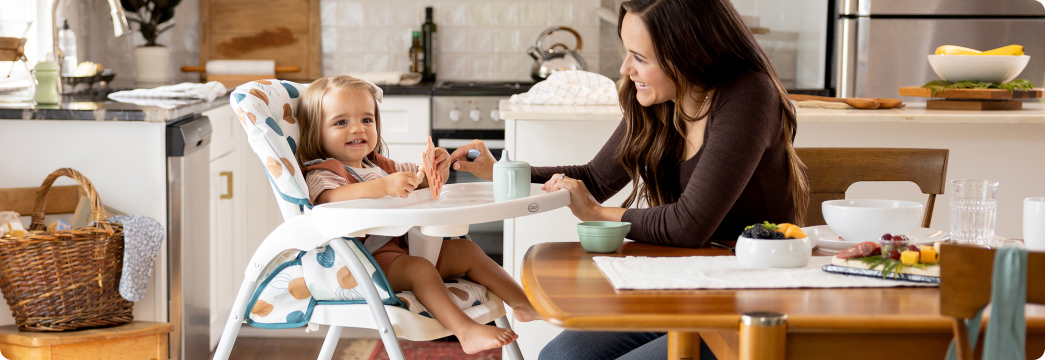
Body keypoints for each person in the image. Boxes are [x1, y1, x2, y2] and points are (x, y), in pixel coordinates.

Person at [448, 0, 810, 357]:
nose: (625, 69)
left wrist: (595, 213)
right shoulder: (662, 100)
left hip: (752, 302)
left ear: (688, 53)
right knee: (560, 356)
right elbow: (594, 177)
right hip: (686, 285)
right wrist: (502, 170)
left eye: (640, 58)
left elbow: (690, 224)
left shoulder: (748, 94)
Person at [296, 75, 542, 354]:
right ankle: (466, 331)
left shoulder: (379, 164)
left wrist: (436, 170)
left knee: (466, 250)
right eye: (341, 122)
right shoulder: (323, 172)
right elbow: (329, 200)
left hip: (403, 246)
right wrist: (383, 187)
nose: (357, 129)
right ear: (316, 132)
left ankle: (524, 305)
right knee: (420, 270)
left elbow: (420, 181)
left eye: (367, 120)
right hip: (364, 263)